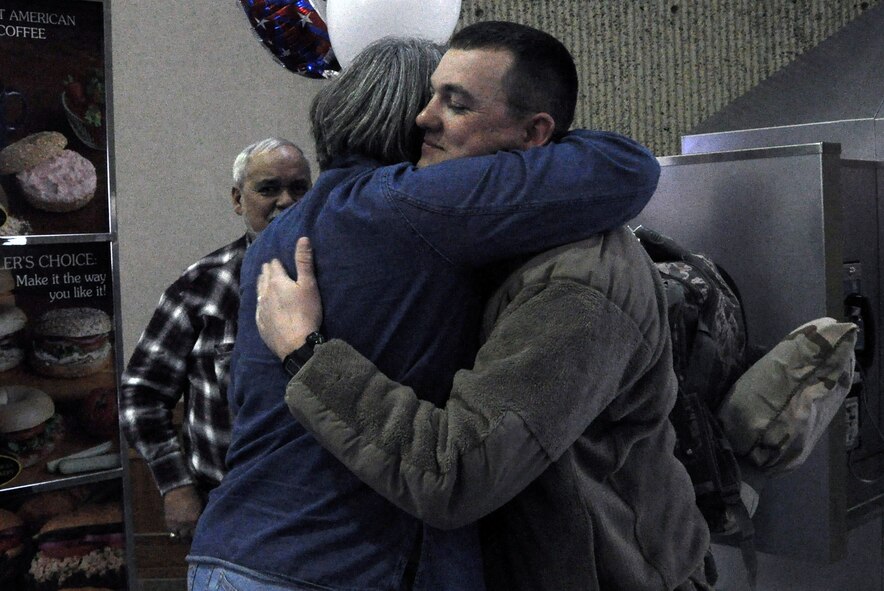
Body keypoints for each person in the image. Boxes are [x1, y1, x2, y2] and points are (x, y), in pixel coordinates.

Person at [189, 32, 660, 591]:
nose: (427, 118)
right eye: (432, 99)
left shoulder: (278, 233)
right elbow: (627, 167)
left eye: (455, 103)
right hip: (337, 563)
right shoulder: (414, 203)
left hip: (233, 549)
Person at [119, 137, 312, 540]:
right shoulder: (201, 287)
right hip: (225, 503)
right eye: (268, 188)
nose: (286, 201)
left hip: (315, 505)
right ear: (238, 200)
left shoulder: (338, 278)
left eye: (299, 188)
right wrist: (176, 486)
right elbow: (141, 392)